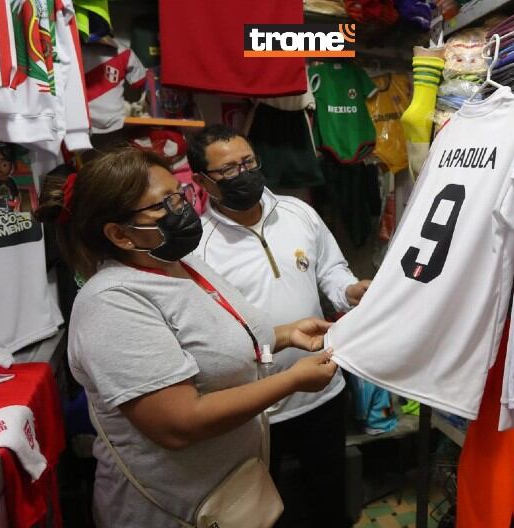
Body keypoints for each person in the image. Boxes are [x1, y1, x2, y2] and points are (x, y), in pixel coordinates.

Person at [34, 147, 339, 527]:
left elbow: (212, 345)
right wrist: (291, 380)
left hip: (230, 490)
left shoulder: (182, 264)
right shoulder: (111, 304)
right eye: (162, 205)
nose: (181, 210)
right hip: (171, 510)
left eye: (178, 195)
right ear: (120, 234)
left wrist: (286, 335)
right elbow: (179, 423)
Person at [189, 124, 370, 528]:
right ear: (202, 181)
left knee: (329, 496)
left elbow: (332, 272)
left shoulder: (298, 212)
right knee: (261, 509)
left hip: (323, 389)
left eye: (248, 162)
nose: (244, 173)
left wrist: (350, 291)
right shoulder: (199, 246)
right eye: (229, 170)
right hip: (256, 407)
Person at [0, 146, 21, 212]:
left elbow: (17, 196)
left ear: (11, 167)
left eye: (4, 164)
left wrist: (16, 205)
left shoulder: (11, 181)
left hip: (10, 210)